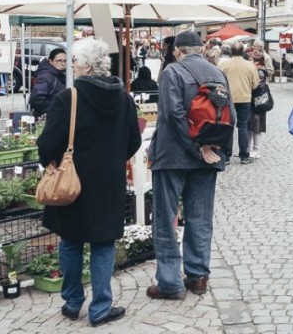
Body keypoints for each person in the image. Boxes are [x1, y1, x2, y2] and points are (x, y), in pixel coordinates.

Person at [38, 38, 141, 327]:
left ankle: (72, 302)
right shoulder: (123, 98)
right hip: (108, 184)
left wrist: (56, 163)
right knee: (103, 244)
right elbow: (133, 141)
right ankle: (100, 309)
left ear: (84, 65)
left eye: (74, 61)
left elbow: (47, 144)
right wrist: (109, 161)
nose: (71, 65)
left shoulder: (68, 98)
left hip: (73, 183)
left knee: (70, 241)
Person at [147, 31, 236, 299]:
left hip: (173, 157)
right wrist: (217, 152)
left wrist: (196, 149)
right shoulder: (217, 73)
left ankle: (170, 282)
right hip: (208, 158)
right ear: (202, 49)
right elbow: (229, 115)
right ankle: (198, 277)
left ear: (177, 51)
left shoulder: (172, 72)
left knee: (165, 219)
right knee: (200, 218)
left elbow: (173, 115)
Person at [221, 42, 259, 164]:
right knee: (243, 126)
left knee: (228, 126)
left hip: (228, 98)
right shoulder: (249, 65)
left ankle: (226, 156)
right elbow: (255, 84)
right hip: (244, 98)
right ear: (243, 51)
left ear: (231, 51)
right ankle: (244, 155)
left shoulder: (224, 64)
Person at [30, 47, 66, 118]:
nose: (63, 63)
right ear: (51, 61)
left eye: (65, 61)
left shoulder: (61, 74)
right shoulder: (45, 76)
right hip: (47, 119)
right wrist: (55, 110)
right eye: (59, 60)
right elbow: (36, 99)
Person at [248, 48, 269, 159]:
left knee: (257, 126)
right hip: (253, 101)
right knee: (250, 126)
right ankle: (247, 148)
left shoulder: (260, 72)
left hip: (258, 102)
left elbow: (255, 86)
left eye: (251, 59)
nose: (249, 61)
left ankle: (256, 150)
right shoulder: (256, 70)